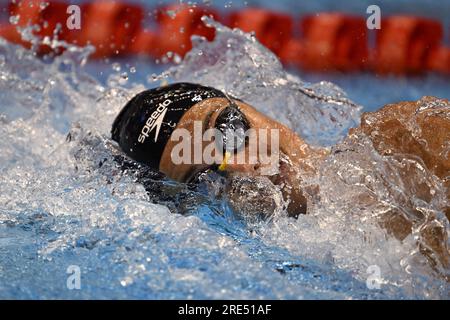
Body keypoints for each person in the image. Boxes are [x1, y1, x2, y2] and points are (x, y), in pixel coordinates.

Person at [112, 82, 449, 273]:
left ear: (248, 108)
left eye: (227, 130)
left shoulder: (406, 141)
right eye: (203, 177)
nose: (243, 164)